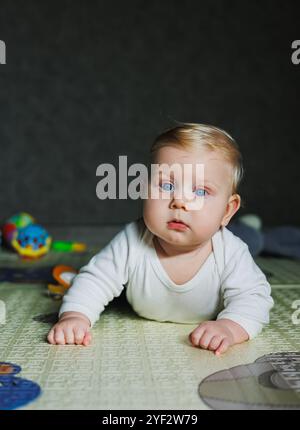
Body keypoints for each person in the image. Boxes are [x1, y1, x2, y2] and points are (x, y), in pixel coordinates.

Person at [47, 122, 274, 355]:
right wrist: (75, 316)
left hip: (233, 235)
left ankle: (250, 228)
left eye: (201, 192)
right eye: (166, 185)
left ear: (227, 210)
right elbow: (95, 280)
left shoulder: (231, 252)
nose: (180, 202)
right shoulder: (132, 240)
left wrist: (229, 327)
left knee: (251, 240)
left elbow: (254, 297)